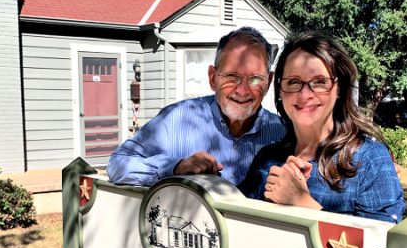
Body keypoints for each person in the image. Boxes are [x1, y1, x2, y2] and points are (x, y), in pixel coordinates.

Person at [239, 31, 405, 223]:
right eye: (293, 82)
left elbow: (379, 244)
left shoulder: (369, 160)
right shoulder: (267, 159)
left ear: (339, 88)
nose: (305, 94)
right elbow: (236, 221)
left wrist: (302, 202)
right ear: (279, 90)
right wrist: (203, 178)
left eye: (319, 82)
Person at [107, 27, 286, 186]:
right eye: (231, 76)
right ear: (212, 78)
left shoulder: (282, 134)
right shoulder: (177, 119)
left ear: (268, 82)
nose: (242, 90)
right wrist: (175, 167)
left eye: (255, 79)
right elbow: (118, 164)